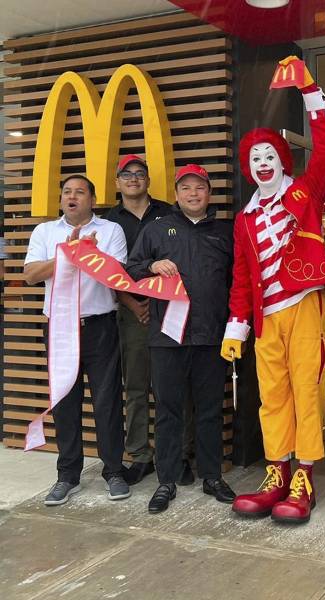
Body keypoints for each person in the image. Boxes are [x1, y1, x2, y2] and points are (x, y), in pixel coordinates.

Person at [220, 59, 325, 524]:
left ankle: (304, 476)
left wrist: (310, 90)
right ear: (248, 171)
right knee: (272, 396)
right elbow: (242, 277)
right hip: (267, 315)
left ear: (281, 162)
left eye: (269, 157)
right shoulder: (245, 219)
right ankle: (277, 471)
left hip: (305, 306)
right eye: (256, 160)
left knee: (306, 392)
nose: (263, 164)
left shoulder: (304, 193)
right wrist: (238, 325)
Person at [126, 164, 236, 514]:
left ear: (209, 193)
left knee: (209, 411)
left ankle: (211, 476)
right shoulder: (157, 230)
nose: (193, 194)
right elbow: (130, 270)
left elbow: (238, 281)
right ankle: (166, 480)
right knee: (169, 412)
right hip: (166, 337)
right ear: (176, 194)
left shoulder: (224, 232)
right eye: (186, 188)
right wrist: (151, 267)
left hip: (210, 336)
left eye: (199, 188)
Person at [23, 175, 130, 505]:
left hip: (100, 326)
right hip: (59, 328)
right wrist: (67, 256)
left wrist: (90, 255)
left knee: (107, 401)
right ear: (60, 200)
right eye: (67, 192)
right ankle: (68, 475)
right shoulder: (45, 232)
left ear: (92, 200)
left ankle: (113, 470)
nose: (72, 197)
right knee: (65, 402)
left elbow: (118, 276)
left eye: (80, 192)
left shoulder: (110, 231)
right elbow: (30, 275)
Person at [105, 154, 172, 485]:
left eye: (140, 173)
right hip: (130, 312)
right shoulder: (108, 221)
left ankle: (173, 454)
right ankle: (140, 454)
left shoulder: (168, 213)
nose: (133, 178)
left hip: (169, 308)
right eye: (126, 174)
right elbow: (105, 270)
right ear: (117, 182)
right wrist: (132, 304)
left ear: (148, 180)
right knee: (134, 386)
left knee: (171, 385)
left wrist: (158, 301)